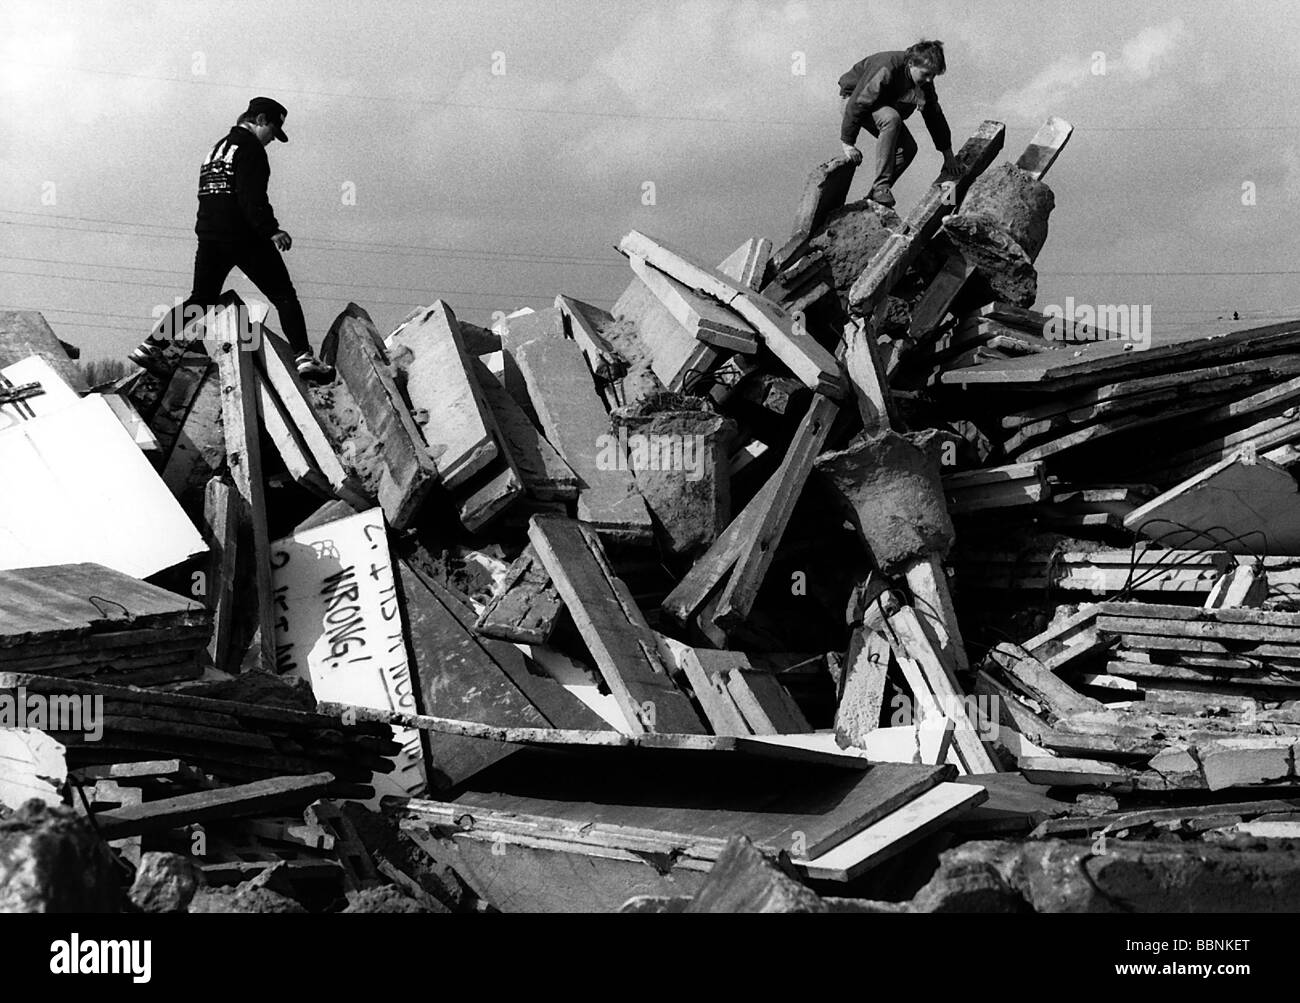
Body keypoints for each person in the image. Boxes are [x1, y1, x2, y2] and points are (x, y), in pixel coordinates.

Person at [130, 96, 334, 381]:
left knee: (201, 299)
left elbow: (208, 195)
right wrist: (271, 229)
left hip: (210, 237)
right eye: (273, 132)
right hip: (244, 235)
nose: (272, 140)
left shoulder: (216, 149)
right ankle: (304, 357)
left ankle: (151, 345)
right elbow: (250, 196)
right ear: (260, 120)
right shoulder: (251, 149)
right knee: (283, 295)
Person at [838, 40, 959, 208]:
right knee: (891, 118)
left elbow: (935, 117)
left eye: (933, 75)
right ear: (911, 63)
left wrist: (948, 156)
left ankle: (873, 197)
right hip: (852, 100)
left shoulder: (925, 83)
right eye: (926, 74)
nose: (929, 79)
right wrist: (848, 142)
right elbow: (860, 102)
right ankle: (881, 187)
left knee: (908, 148)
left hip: (879, 104)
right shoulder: (887, 66)